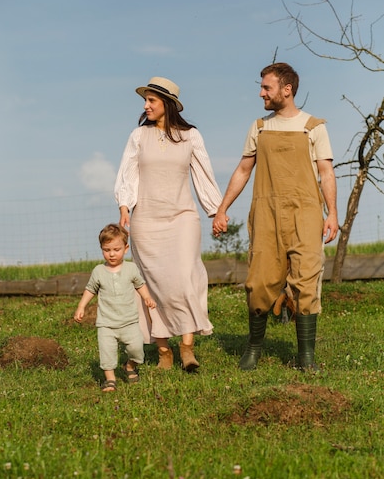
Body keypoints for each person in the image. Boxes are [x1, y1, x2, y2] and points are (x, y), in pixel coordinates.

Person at [213, 62, 339, 371]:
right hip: (267, 215)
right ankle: (254, 349)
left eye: (266, 88)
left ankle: (306, 357)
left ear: (287, 89)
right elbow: (244, 169)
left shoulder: (314, 127)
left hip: (306, 214)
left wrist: (332, 213)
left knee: (307, 282)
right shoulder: (259, 127)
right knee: (258, 283)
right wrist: (222, 207)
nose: (261, 93)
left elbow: (326, 173)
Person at [114, 76, 222, 371]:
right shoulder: (138, 136)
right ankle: (164, 351)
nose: (146, 106)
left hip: (182, 218)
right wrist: (125, 207)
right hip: (146, 220)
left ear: (168, 104)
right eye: (145, 101)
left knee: (186, 279)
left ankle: (187, 346)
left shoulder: (191, 136)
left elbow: (204, 173)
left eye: (152, 101)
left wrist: (216, 210)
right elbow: (128, 173)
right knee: (153, 285)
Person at [73, 223, 156, 392]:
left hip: (129, 321)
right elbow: (90, 289)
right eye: (106, 249)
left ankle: (130, 366)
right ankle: (110, 380)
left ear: (125, 249)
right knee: (107, 352)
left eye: (116, 249)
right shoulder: (98, 271)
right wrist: (81, 306)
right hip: (106, 323)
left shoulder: (131, 268)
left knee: (137, 349)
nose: (111, 254)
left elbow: (140, 284)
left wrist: (147, 297)